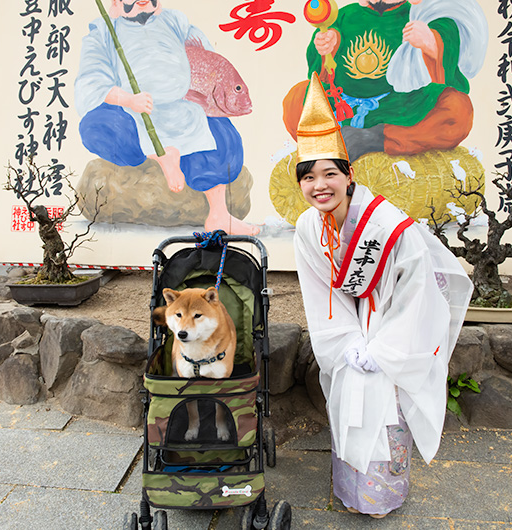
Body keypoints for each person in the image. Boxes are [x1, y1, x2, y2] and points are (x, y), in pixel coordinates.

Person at [293, 73, 472, 518]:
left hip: (394, 334)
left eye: (330, 174)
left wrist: (385, 347)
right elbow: (321, 296)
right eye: (309, 177)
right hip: (351, 337)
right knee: (349, 404)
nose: (320, 186)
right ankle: (351, 493)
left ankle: (382, 499)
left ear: (349, 175)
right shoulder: (307, 228)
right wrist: (346, 342)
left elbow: (418, 291)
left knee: (385, 413)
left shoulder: (388, 226)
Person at [74, 0, 258, 235]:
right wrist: (128, 99)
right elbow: (91, 81)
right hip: (132, 112)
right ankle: (160, 156)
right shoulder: (102, 31)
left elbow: (210, 62)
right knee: (95, 127)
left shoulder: (177, 22)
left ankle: (219, 214)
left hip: (182, 109)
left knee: (225, 136)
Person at [283, 0, 488, 158]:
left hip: (400, 107)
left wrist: (431, 42)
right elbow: (319, 70)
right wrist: (327, 46)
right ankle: (331, 140)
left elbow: (448, 43)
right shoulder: (345, 15)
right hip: (341, 104)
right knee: (297, 97)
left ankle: (373, 139)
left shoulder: (418, 15)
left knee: (457, 108)